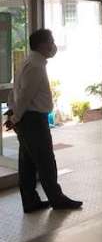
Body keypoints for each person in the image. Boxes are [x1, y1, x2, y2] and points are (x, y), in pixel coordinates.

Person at [5, 29, 83, 213]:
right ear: (42, 44)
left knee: (28, 163)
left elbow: (16, 91)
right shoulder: (35, 65)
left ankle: (30, 201)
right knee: (46, 161)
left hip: (26, 118)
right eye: (51, 41)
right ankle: (57, 199)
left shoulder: (30, 61)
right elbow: (25, 95)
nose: (53, 45)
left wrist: (13, 114)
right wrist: (15, 117)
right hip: (32, 120)